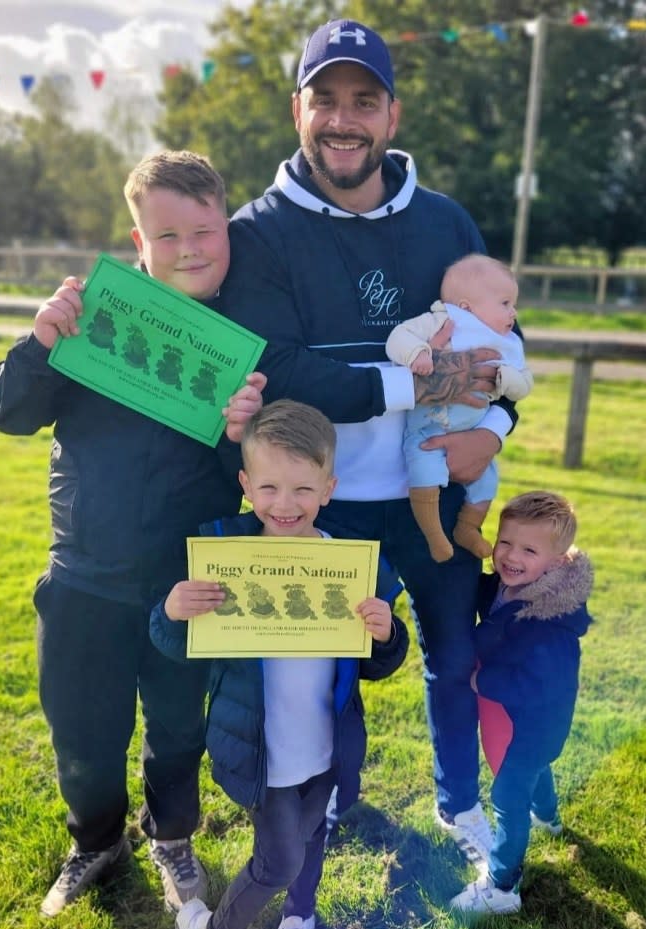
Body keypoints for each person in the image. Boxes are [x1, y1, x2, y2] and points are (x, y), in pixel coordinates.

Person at [216, 19, 520, 865]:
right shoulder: (259, 231)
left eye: (364, 101)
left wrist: (492, 429)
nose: (342, 120)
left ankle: (459, 805)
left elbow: (503, 347)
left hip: (439, 501)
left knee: (452, 658)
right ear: (296, 109)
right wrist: (417, 384)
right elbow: (280, 367)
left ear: (392, 116)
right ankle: (331, 799)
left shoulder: (446, 222)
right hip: (321, 504)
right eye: (326, 100)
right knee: (327, 667)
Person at [0, 150, 265, 917]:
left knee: (178, 728)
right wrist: (40, 342)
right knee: (81, 727)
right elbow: (6, 413)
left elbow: (259, 479)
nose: (189, 249)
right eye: (166, 235)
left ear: (227, 228)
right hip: (82, 576)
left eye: (204, 230)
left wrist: (240, 430)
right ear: (137, 241)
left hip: (187, 584)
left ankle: (172, 837)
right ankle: (95, 841)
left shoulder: (238, 346)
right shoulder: (90, 322)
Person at [149, 400, 409, 929]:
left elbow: (384, 662)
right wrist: (172, 610)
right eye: (268, 487)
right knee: (277, 860)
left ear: (329, 487)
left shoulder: (354, 563)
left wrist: (385, 632)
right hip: (260, 747)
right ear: (245, 484)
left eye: (302, 489)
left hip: (326, 745)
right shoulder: (222, 551)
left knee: (313, 835)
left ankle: (299, 917)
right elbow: (170, 642)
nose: (284, 505)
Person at [450, 491, 593, 914]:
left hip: (532, 722)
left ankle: (502, 886)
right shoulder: (506, 585)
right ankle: (548, 818)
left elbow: (539, 685)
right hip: (518, 723)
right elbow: (485, 601)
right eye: (505, 542)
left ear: (557, 562)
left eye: (528, 550)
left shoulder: (550, 621)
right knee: (534, 773)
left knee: (508, 797)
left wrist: (484, 679)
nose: (511, 556)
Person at [386, 254, 533, 563]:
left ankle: (468, 528)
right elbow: (398, 337)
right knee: (424, 472)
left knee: (487, 481)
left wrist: (505, 379)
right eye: (505, 304)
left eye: (514, 305)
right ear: (466, 306)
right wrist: (417, 354)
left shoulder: (508, 342)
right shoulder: (445, 320)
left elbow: (525, 384)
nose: (514, 313)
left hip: (473, 431)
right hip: (428, 426)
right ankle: (435, 536)